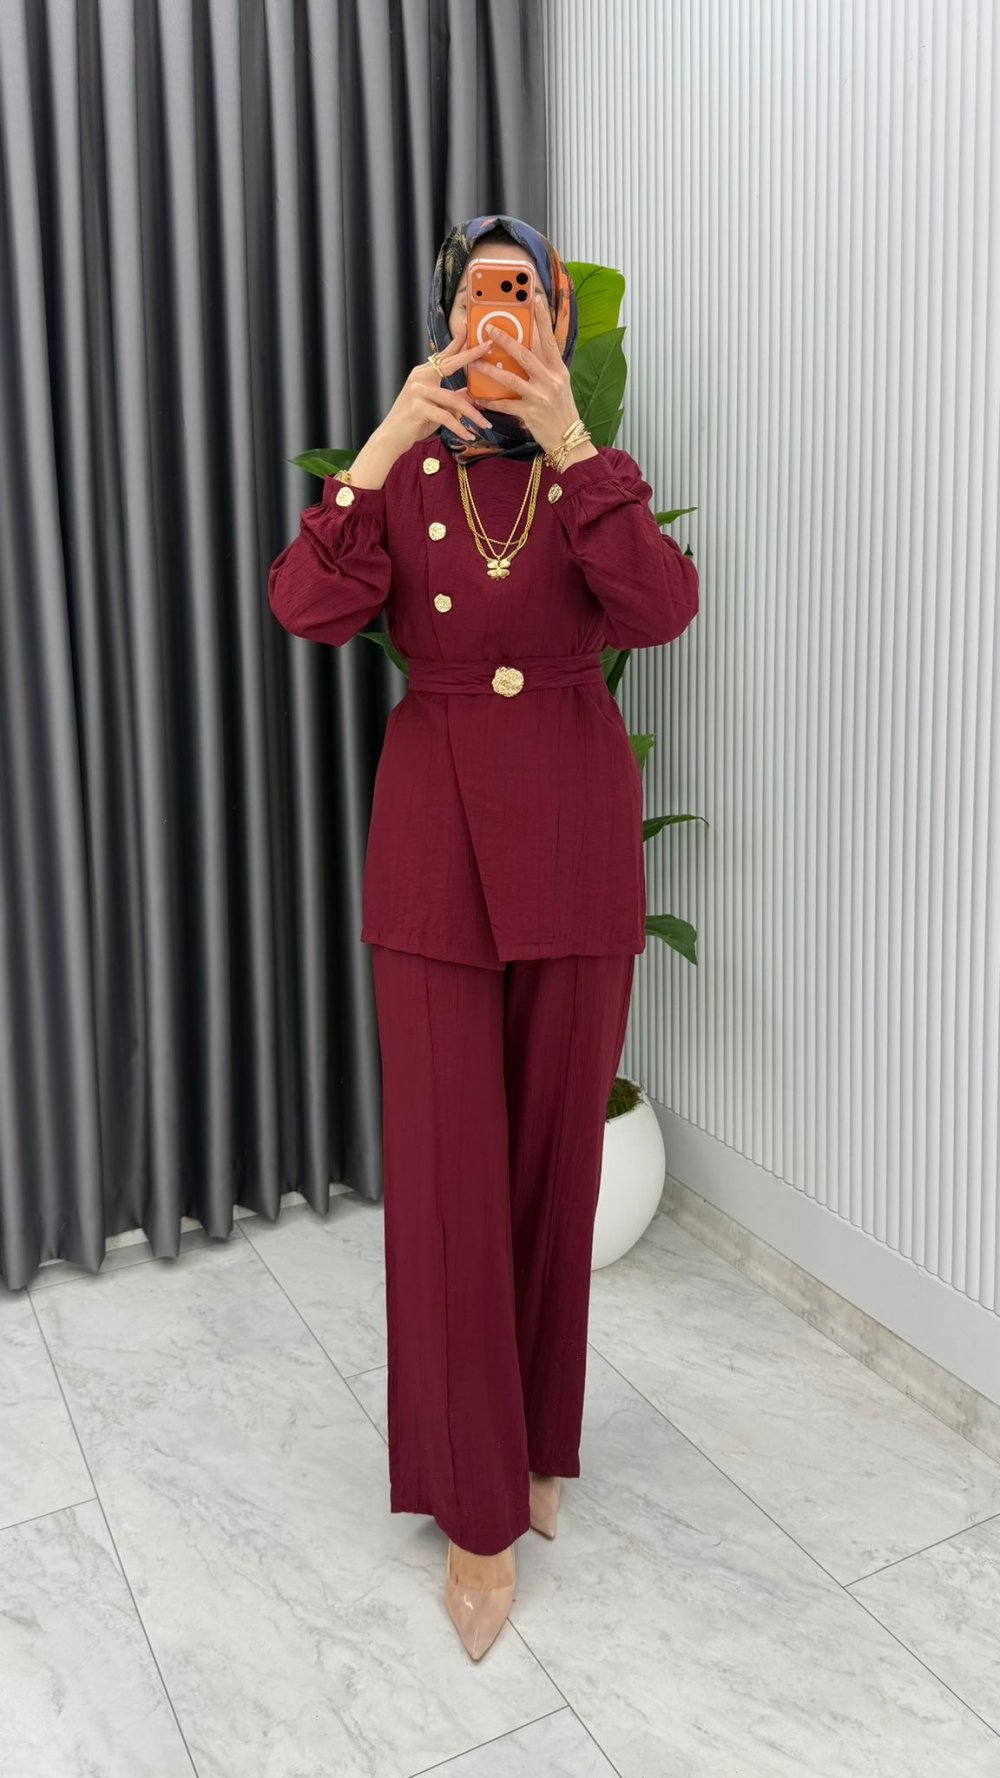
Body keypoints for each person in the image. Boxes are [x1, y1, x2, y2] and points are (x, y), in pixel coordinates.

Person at [268, 213, 699, 1661]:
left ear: (559, 320)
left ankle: (536, 1447)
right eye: (477, 293)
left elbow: (661, 609)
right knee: (450, 1179)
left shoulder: (590, 473)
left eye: (523, 294)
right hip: (436, 844)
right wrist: (386, 438)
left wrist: (572, 440)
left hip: (572, 827)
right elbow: (308, 606)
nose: (498, 315)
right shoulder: (407, 474)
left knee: (551, 1160)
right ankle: (473, 1510)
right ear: (447, 315)